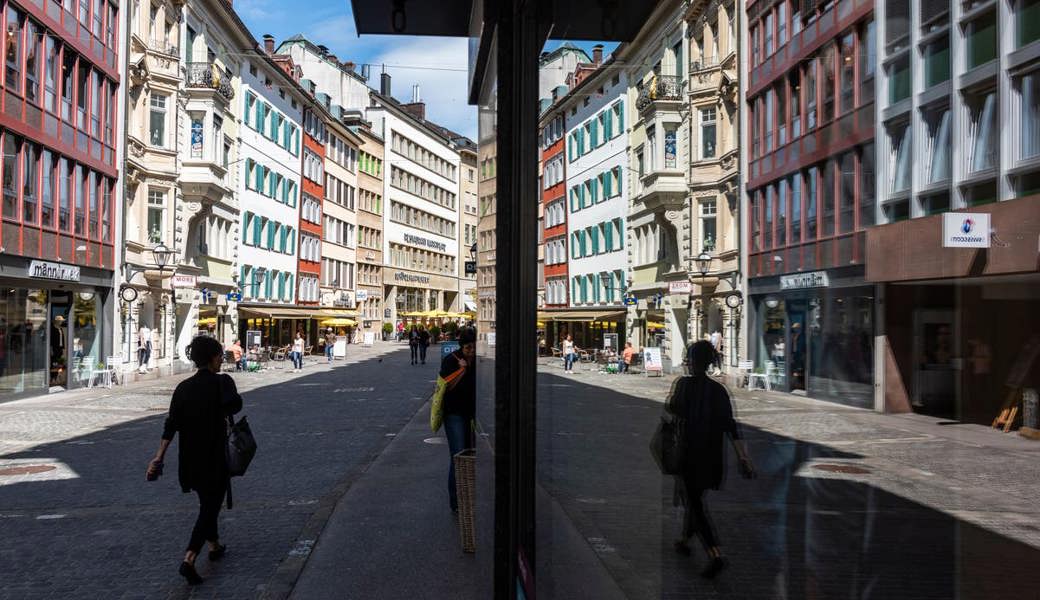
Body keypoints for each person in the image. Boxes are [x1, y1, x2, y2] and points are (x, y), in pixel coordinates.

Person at [146, 335, 243, 586]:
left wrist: (158, 457)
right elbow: (235, 406)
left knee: (206, 502)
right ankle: (189, 558)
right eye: (220, 355)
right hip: (214, 457)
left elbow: (171, 426)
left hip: (188, 459)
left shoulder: (182, 388)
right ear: (212, 358)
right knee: (210, 507)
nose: (222, 359)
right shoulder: (222, 382)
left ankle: (215, 545)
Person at [665, 340, 755, 579]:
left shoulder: (683, 385)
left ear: (692, 362)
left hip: (689, 454)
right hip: (713, 457)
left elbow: (672, 408)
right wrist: (743, 457)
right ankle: (684, 540)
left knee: (695, 505)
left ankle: (715, 553)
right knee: (695, 499)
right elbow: (731, 426)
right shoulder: (719, 391)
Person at [440, 327, 476, 513]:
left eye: (473, 348)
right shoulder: (451, 360)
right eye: (468, 348)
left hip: (471, 415)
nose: (471, 351)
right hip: (453, 413)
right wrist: (462, 370)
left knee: (469, 455)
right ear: (461, 346)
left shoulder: (477, 362)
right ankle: (456, 503)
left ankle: (466, 495)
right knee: (457, 456)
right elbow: (446, 387)